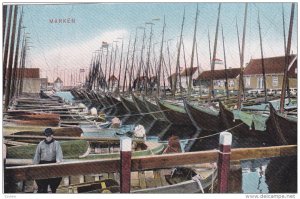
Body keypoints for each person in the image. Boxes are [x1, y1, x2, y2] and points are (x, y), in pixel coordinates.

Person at [33, 128, 63, 193]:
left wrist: (58, 161)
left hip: (53, 163)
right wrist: (35, 164)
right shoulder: (41, 143)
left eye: (49, 136)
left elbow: (59, 153)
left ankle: (53, 189)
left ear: (52, 135)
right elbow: (37, 154)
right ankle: (43, 190)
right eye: (47, 136)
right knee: (40, 178)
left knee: (57, 178)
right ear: (45, 136)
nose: (48, 137)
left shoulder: (56, 143)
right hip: (43, 163)